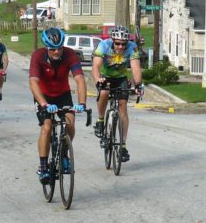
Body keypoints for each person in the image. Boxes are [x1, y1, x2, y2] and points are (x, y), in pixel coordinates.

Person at [29, 27, 87, 184]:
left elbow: (80, 79)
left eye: (60, 48)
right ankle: (43, 166)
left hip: (63, 94)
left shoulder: (70, 55)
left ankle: (63, 153)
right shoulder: (38, 56)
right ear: (46, 47)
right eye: (53, 49)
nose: (57, 52)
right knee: (47, 127)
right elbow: (33, 82)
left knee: (70, 122)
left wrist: (81, 103)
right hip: (44, 96)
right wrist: (44, 103)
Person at [91, 25, 143, 163]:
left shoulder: (132, 48)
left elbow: (136, 68)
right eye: (118, 43)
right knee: (104, 92)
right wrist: (98, 80)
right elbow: (95, 66)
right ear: (112, 40)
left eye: (123, 44)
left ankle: (123, 145)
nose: (121, 47)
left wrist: (137, 84)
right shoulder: (104, 45)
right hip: (106, 77)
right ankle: (100, 120)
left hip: (121, 79)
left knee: (123, 107)